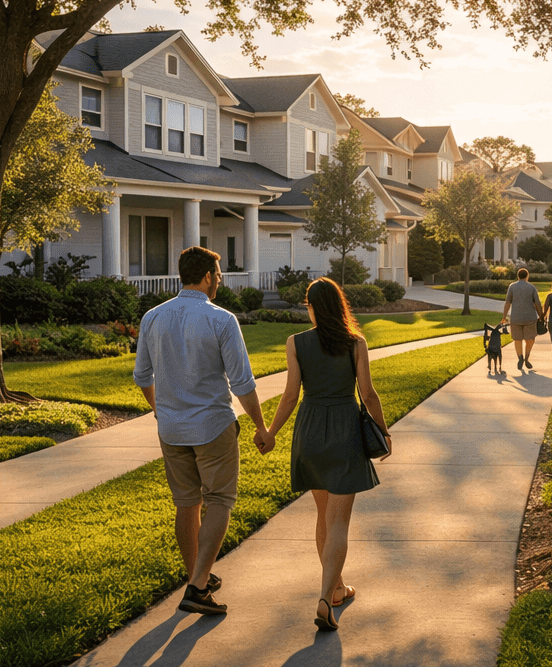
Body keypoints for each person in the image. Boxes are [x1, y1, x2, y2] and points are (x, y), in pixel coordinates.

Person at [134, 246, 270, 617]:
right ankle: (197, 585)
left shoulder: (153, 317)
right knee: (220, 501)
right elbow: (242, 383)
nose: (220, 282)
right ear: (208, 276)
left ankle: (196, 577)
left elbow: (141, 376)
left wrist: (160, 411)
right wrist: (261, 426)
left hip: (172, 429)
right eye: (219, 275)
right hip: (212, 426)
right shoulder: (221, 319)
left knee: (186, 503)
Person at [265, 278, 390, 631]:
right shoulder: (356, 344)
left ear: (311, 307)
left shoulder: (295, 343)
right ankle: (325, 598)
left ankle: (336, 589)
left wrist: (271, 433)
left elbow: (290, 395)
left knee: (323, 515)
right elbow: (368, 394)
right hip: (344, 431)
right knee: (338, 522)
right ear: (339, 306)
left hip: (310, 432)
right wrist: (383, 431)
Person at [501, 267, 543, 370]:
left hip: (516, 317)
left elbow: (507, 302)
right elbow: (537, 303)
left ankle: (520, 357)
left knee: (517, 339)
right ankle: (527, 358)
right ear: (527, 276)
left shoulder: (512, 287)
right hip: (530, 318)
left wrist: (504, 316)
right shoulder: (532, 287)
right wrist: (541, 316)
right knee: (530, 339)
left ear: (518, 276)